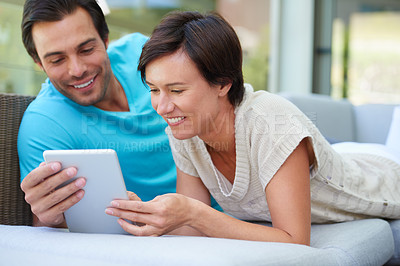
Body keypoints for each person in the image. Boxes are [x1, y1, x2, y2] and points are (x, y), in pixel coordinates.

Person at [105, 11, 400, 245]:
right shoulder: (186, 128)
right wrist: (145, 215)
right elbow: (190, 231)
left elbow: (294, 240)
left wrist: (193, 212)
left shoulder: (273, 124)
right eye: (154, 89)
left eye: (177, 91)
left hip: (384, 180)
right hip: (338, 156)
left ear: (223, 83)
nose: (162, 107)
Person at [18, 0, 177, 228]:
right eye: (57, 60)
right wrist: (52, 218)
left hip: (227, 209)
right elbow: (48, 227)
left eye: (86, 50)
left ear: (105, 39)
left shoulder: (144, 55)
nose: (77, 70)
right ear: (38, 62)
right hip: (147, 238)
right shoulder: (43, 124)